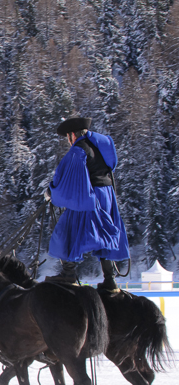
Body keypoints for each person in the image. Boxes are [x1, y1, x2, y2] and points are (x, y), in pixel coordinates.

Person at [44, 117, 129, 291]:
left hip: (90, 195)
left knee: (69, 228)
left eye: (68, 136)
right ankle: (110, 279)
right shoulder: (99, 147)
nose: (68, 140)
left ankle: (68, 273)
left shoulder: (78, 151)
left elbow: (69, 179)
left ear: (73, 135)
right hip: (107, 195)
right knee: (105, 233)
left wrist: (51, 192)